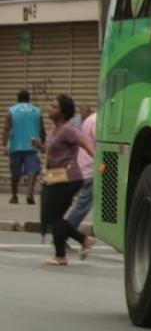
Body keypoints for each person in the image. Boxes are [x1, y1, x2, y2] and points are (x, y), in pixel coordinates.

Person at [32, 94, 94, 266]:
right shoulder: (54, 131)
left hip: (69, 178)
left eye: (54, 107)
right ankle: (83, 240)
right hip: (55, 178)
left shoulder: (68, 129)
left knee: (55, 217)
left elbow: (84, 142)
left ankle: (61, 256)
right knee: (54, 217)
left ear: (63, 112)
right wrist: (41, 147)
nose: (49, 110)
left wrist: (97, 159)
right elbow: (54, 153)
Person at [63, 106, 98, 260]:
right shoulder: (98, 121)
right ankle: (62, 235)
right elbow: (99, 144)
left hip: (86, 166)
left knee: (82, 204)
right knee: (82, 206)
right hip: (92, 168)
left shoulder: (90, 120)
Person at [6, 90, 45, 205]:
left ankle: (14, 196)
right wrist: (43, 143)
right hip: (32, 145)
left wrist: (4, 145)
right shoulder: (36, 111)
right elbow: (42, 128)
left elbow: (6, 128)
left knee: (15, 172)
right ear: (29, 99)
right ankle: (30, 193)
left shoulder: (12, 111)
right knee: (32, 170)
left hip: (15, 145)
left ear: (18, 99)